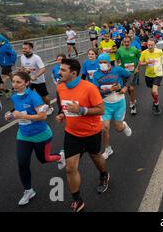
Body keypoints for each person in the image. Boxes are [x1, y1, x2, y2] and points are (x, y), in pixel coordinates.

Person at [56, 58, 109, 212]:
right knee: (70, 168)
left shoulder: (89, 88)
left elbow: (101, 110)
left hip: (91, 132)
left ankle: (104, 174)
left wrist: (81, 110)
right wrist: (62, 115)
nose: (59, 72)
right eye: (60, 69)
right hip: (72, 134)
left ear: (73, 73)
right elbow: (64, 107)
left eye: (63, 70)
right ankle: (78, 200)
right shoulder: (60, 88)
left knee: (95, 157)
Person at [8, 71, 65, 206]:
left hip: (40, 134)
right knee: (22, 164)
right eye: (13, 82)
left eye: (18, 82)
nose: (14, 85)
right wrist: (10, 114)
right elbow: (17, 109)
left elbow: (43, 116)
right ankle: (28, 190)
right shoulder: (15, 97)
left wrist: (22, 117)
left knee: (44, 159)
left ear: (27, 83)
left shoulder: (34, 97)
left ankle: (60, 156)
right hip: (23, 135)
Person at [93, 54, 132, 160]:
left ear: (109, 62)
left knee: (118, 128)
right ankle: (107, 149)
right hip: (105, 105)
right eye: (100, 63)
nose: (102, 65)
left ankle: (123, 125)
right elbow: (96, 92)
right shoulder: (96, 75)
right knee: (104, 128)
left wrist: (125, 87)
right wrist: (109, 90)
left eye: (104, 62)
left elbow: (129, 76)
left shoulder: (118, 70)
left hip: (119, 103)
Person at [20, 42, 53, 115]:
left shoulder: (36, 58)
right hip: (28, 81)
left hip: (39, 81)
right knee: (26, 94)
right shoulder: (22, 57)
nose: (23, 50)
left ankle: (50, 107)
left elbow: (43, 69)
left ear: (31, 49)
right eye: (23, 48)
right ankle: (30, 108)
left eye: (25, 48)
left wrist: (35, 76)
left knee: (44, 97)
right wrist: (22, 70)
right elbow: (23, 67)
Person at [115, 36, 141, 115]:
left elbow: (140, 59)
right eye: (125, 42)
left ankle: (133, 105)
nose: (126, 43)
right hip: (124, 73)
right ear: (123, 42)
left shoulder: (134, 49)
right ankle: (133, 99)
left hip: (133, 72)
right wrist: (117, 68)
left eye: (128, 42)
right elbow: (116, 60)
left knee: (131, 88)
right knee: (129, 89)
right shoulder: (119, 50)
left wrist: (137, 68)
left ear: (130, 42)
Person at [139, 38, 163, 115]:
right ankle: (155, 101)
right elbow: (140, 63)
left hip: (157, 74)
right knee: (152, 92)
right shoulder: (144, 53)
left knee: (154, 91)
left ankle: (157, 105)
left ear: (154, 45)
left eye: (151, 45)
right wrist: (146, 63)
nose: (150, 46)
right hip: (148, 75)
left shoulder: (159, 52)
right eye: (148, 45)